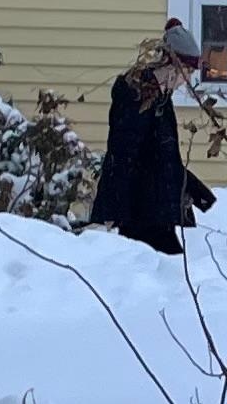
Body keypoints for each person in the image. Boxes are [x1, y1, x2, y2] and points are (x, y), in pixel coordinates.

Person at [90, 20, 217, 253]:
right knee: (167, 268)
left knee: (173, 268)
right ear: (172, 66)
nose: (186, 80)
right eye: (187, 72)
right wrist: (112, 211)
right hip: (139, 212)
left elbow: (165, 158)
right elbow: (122, 155)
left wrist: (198, 193)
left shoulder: (161, 99)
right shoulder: (135, 95)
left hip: (156, 211)